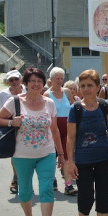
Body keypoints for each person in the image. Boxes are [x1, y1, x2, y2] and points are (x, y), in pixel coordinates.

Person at [0, 67, 65, 216]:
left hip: (46, 153)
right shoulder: (15, 102)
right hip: (22, 155)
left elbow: (54, 130)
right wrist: (11, 122)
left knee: (46, 188)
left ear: (43, 84)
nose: (36, 84)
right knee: (25, 191)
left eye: (39, 81)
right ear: (25, 83)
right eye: (32, 81)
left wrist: (61, 154)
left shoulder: (49, 103)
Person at [64, 69, 108, 216]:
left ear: (97, 87)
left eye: (90, 85)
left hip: (104, 159)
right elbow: (70, 138)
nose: (86, 89)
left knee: (104, 197)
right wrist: (69, 162)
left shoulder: (105, 106)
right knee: (86, 197)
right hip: (83, 160)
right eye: (83, 85)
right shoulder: (76, 109)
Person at [44, 67, 77, 195]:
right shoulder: (47, 94)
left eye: (61, 78)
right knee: (53, 155)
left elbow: (73, 106)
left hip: (67, 127)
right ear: (51, 80)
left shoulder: (67, 92)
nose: (59, 81)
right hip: (53, 128)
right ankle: (53, 179)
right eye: (56, 78)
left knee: (67, 155)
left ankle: (68, 184)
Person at [0, 69, 27, 194]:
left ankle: (25, 178)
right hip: (12, 127)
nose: (14, 82)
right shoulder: (3, 95)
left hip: (28, 126)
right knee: (15, 153)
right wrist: (11, 122)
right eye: (11, 80)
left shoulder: (28, 90)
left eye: (16, 79)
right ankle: (16, 177)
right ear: (8, 82)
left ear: (20, 79)